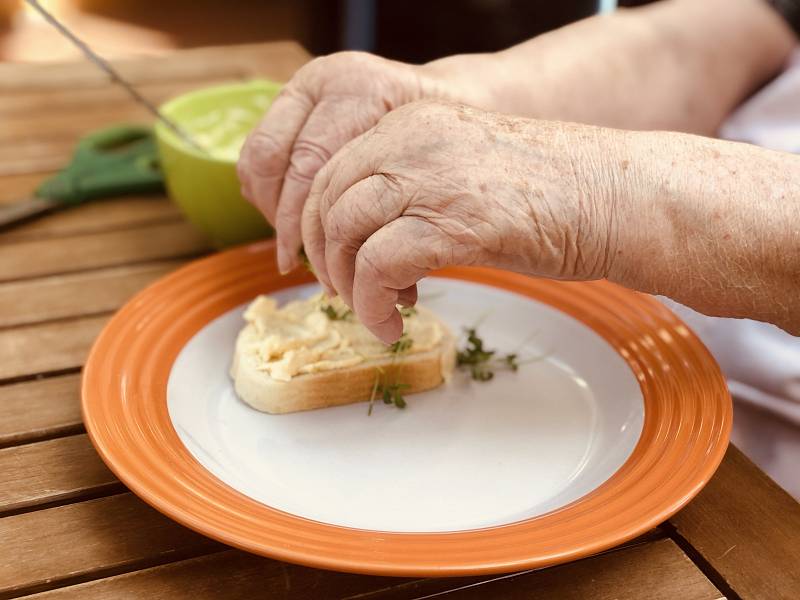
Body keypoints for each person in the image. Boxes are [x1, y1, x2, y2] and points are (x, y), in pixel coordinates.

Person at [237, 0, 800, 492]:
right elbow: (714, 41)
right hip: (641, 357)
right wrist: (460, 95)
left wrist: (599, 195)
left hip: (766, 501)